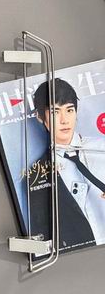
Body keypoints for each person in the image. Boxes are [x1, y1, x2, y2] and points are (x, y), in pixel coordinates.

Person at [27, 77, 105, 252]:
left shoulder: (101, 147)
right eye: (55, 112)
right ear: (40, 117)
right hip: (85, 254)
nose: (64, 120)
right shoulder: (37, 173)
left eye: (69, 110)